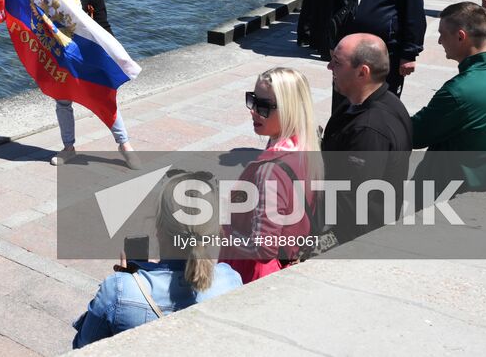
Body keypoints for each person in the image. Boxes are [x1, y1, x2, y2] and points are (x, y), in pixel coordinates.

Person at [70, 172, 242, 348]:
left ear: (159, 229)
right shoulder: (230, 281)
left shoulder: (118, 290)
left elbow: (82, 347)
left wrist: (127, 279)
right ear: (214, 231)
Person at [411, 3, 486, 197]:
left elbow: (414, 135)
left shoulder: (459, 91)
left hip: (450, 191)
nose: (438, 41)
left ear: (461, 36)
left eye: (442, 34)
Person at [223, 68, 322, 283]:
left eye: (264, 106)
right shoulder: (307, 149)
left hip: (254, 273)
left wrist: (224, 230)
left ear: (289, 109)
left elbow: (264, 248)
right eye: (253, 99)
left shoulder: (271, 170)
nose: (253, 111)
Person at [48, 0, 140, 168]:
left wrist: (117, 54)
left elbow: (103, 26)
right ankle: (68, 148)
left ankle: (125, 145)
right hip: (62, 56)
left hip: (88, 57)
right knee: (63, 101)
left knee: (104, 98)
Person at [322, 33, 413, 242]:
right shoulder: (377, 102)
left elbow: (349, 202)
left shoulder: (369, 130)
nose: (329, 68)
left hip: (353, 238)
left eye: (337, 63)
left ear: (362, 72)